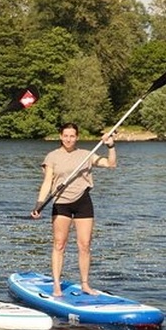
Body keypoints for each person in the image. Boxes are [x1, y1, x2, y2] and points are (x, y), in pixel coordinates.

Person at [31, 123, 116, 297]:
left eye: (72, 136)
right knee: (59, 244)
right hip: (61, 203)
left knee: (84, 245)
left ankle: (85, 284)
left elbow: (111, 164)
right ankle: (56, 285)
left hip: (83, 202)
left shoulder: (87, 154)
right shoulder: (52, 157)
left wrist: (111, 146)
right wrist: (39, 204)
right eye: (66, 136)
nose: (69, 139)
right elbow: (47, 182)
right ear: (60, 136)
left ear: (77, 137)